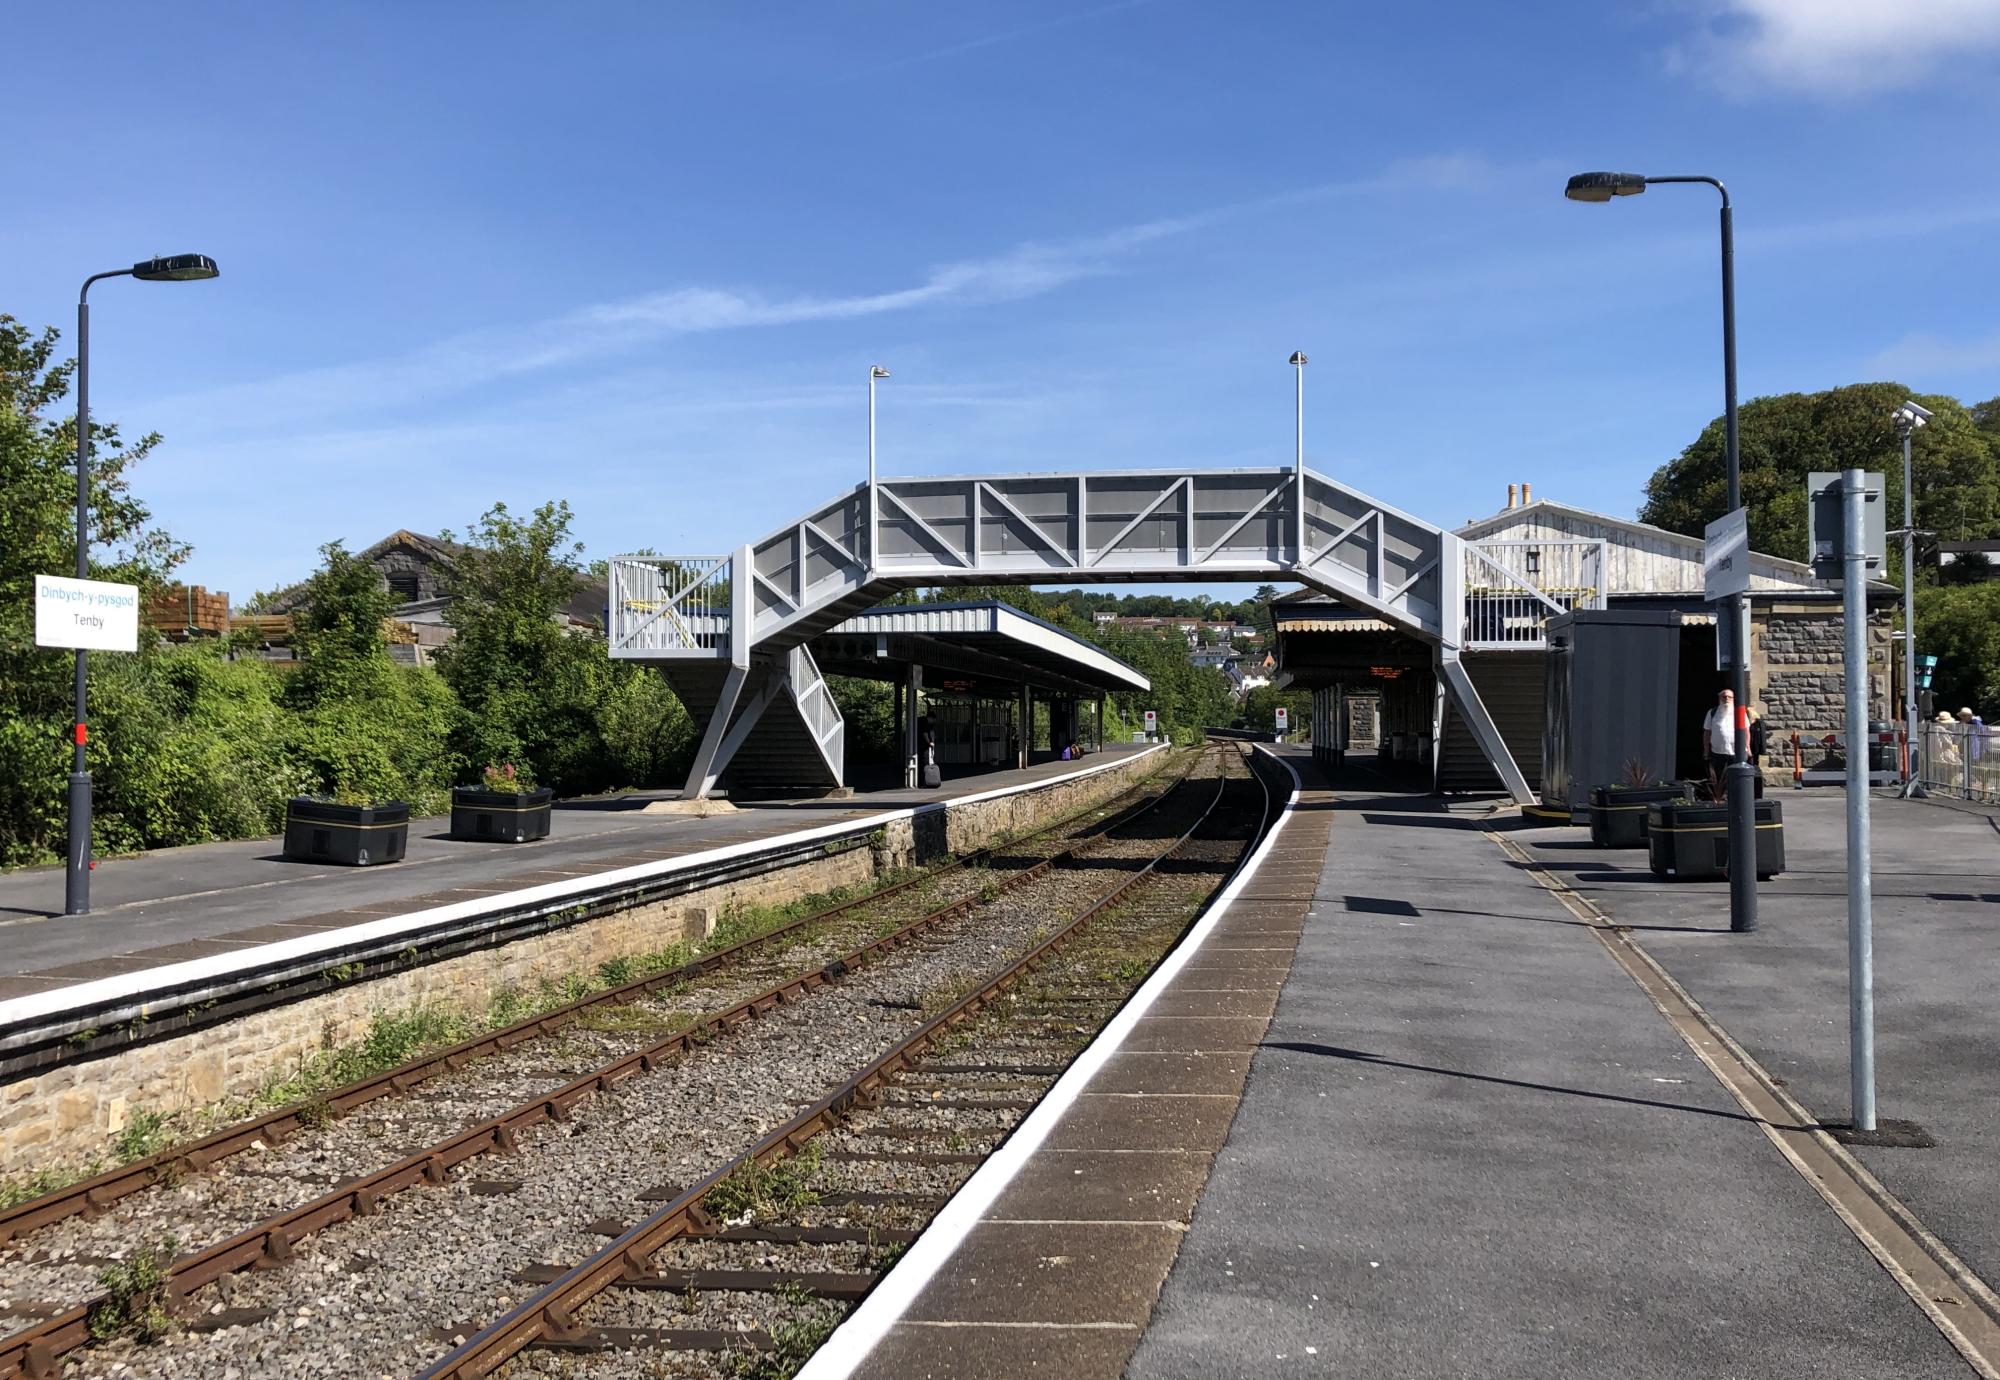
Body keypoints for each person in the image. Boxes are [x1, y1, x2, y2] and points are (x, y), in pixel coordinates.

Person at [1702, 688, 1741, 783]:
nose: (1727, 699)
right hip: (1717, 752)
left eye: (1730, 697)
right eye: (1724, 697)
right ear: (1720, 698)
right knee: (1719, 779)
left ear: (1733, 699)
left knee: (1736, 778)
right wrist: (1706, 751)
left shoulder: (1739, 712)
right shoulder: (1712, 712)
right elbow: (1707, 732)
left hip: (1736, 752)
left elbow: (1746, 731)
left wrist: (1747, 748)